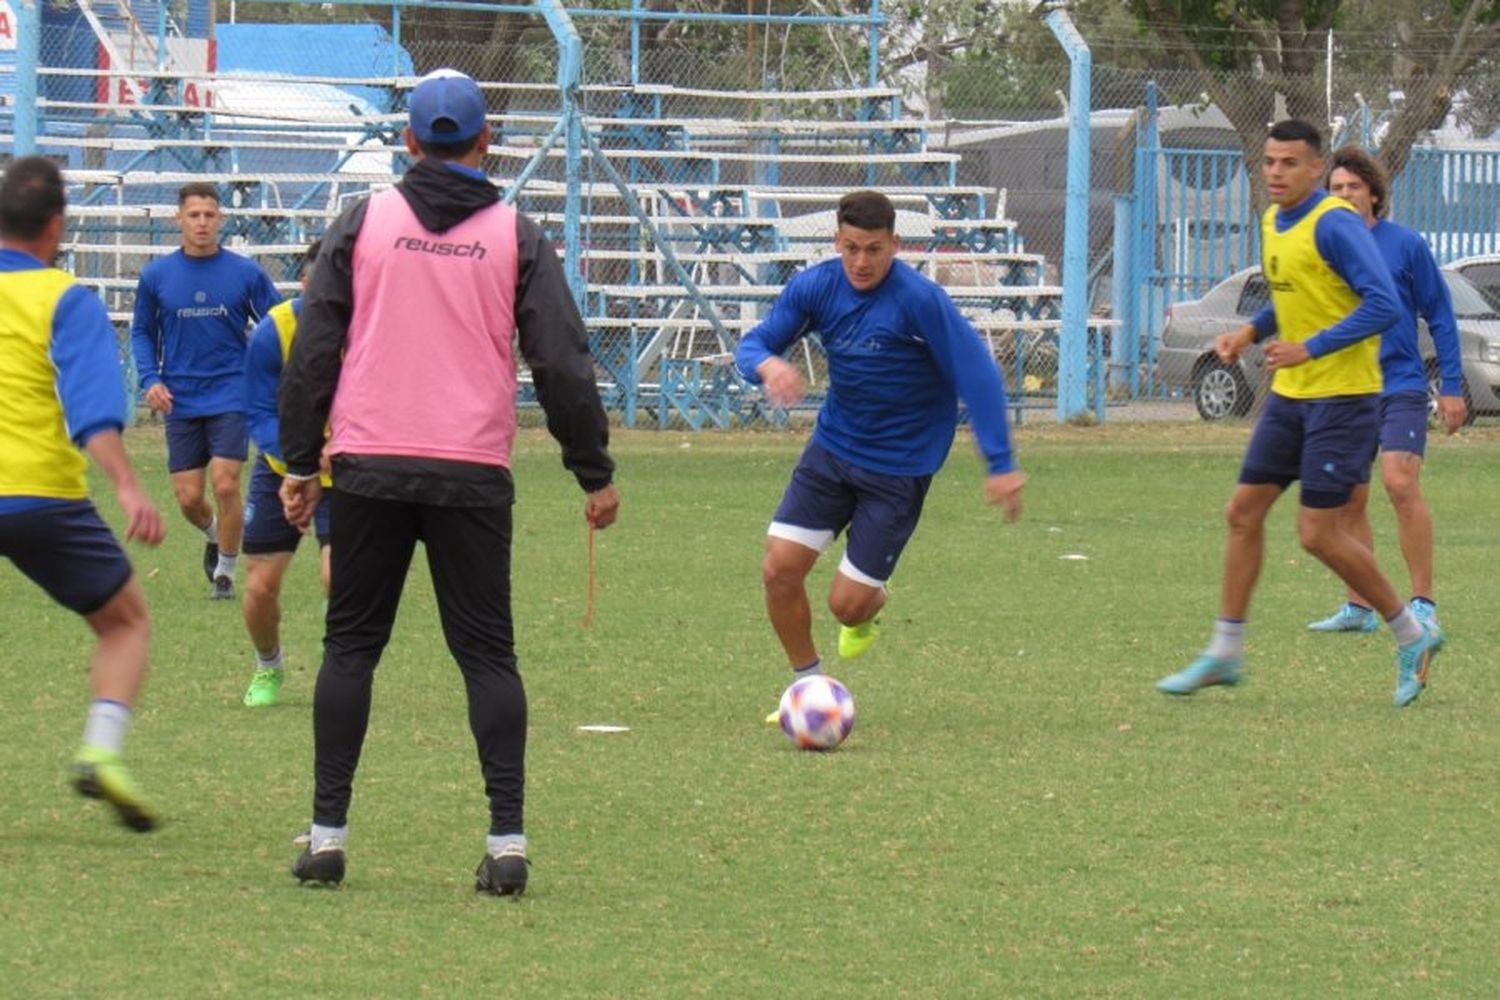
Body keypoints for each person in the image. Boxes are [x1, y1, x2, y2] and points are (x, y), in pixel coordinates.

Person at [278, 69, 619, 895]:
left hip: (369, 466)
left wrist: (298, 462)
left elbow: (314, 347)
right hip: (471, 470)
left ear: (407, 141)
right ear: (484, 141)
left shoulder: (363, 222)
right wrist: (592, 470)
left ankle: (327, 838)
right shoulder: (516, 234)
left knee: (351, 650)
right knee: (488, 657)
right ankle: (507, 843)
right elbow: (563, 364)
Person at [1156, 120, 1442, 708]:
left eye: (1289, 163)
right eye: (1268, 162)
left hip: (1344, 398)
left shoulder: (1334, 224)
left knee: (1317, 534)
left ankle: (1411, 634)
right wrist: (1249, 330)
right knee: (1243, 510)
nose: (1275, 173)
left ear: (1317, 170)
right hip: (1291, 397)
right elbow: (1292, 302)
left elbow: (1386, 305)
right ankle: (1225, 651)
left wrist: (1310, 348)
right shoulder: (1272, 223)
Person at [733, 189, 1026, 723]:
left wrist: (1001, 463)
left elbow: (978, 374)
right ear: (836, 242)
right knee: (778, 569)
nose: (861, 262)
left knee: (846, 605)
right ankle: (809, 690)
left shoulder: (920, 301)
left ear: (896, 244)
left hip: (900, 466)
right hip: (833, 450)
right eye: (850, 248)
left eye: (874, 249)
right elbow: (752, 345)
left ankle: (869, 607)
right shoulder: (816, 287)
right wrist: (768, 367)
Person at [0, 156, 167, 830]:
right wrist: (128, 487)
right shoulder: (65, 299)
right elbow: (93, 412)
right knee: (124, 622)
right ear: (56, 225)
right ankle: (101, 751)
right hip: (41, 499)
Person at [1305, 146, 1466, 634]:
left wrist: (1454, 387)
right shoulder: (1323, 249)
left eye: (1354, 186)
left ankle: (1422, 603)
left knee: (1399, 482)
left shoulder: (1405, 244)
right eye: (1335, 188)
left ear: (1374, 193)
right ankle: (1359, 607)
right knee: (1350, 499)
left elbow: (1439, 313)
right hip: (1346, 388)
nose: (1345, 194)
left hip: (1399, 384)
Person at [130, 181, 281, 600]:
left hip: (233, 390)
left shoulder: (245, 273)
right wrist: (150, 379)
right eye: (193, 215)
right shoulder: (156, 275)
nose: (201, 223)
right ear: (178, 219)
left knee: (227, 483)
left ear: (221, 219)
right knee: (189, 498)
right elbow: (141, 332)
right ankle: (216, 535)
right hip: (180, 395)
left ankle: (226, 574)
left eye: (209, 215)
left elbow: (278, 323)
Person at [238, 240, 332, 708]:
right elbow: (257, 411)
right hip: (282, 469)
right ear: (303, 283)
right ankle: (268, 666)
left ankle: (339, 664)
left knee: (340, 578)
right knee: (258, 588)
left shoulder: (366, 327)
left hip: (344, 473)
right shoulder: (275, 331)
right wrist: (297, 464)